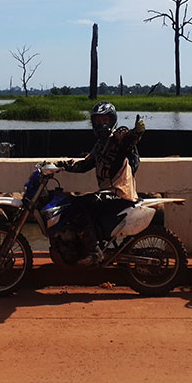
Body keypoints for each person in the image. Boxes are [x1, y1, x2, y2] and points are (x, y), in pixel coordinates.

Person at [55, 101, 145, 265]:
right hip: (108, 194)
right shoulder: (100, 146)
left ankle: (94, 251)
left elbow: (128, 138)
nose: (102, 124)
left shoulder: (118, 136)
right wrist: (61, 166)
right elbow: (84, 165)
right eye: (98, 121)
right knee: (76, 203)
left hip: (120, 193)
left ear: (113, 120)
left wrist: (136, 133)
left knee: (81, 205)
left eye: (105, 120)